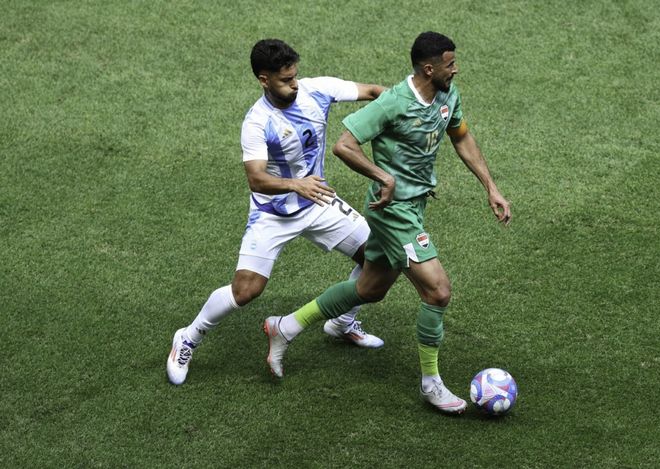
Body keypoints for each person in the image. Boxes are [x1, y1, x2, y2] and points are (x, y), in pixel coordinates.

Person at [261, 32, 512, 414]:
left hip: (413, 207)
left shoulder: (447, 95)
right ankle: (432, 384)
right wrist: (384, 177)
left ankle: (285, 326)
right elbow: (344, 145)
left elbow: (461, 137)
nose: (456, 68)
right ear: (429, 69)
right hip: (393, 212)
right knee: (438, 292)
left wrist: (491, 187)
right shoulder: (394, 102)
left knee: (369, 288)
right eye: (450, 63)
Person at [167, 39, 387, 385]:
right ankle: (188, 337)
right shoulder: (257, 122)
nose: (294, 84)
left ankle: (342, 322)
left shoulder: (318, 90)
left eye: (295, 76)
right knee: (246, 291)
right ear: (263, 79)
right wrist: (296, 184)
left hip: (317, 201)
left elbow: (375, 91)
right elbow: (256, 179)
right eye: (285, 80)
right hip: (273, 213)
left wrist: (413, 102)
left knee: (380, 257)